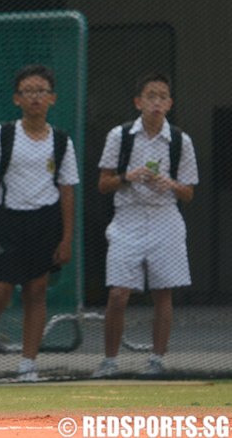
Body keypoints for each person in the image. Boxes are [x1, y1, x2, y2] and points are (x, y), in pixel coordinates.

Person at [0, 64, 79, 382]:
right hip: (8, 221)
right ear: (17, 99)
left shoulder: (62, 142)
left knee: (37, 291)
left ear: (52, 98)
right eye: (28, 91)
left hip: (45, 222)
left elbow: (67, 192)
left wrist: (66, 239)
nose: (35, 97)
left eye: (41, 91)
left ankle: (28, 365)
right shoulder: (3, 134)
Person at [92, 72, 198, 378]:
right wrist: (129, 177)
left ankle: (157, 359)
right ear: (138, 102)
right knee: (118, 293)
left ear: (170, 103)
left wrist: (171, 185)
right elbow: (103, 183)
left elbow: (189, 192)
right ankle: (109, 361)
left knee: (163, 292)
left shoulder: (180, 140)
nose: (156, 102)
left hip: (165, 216)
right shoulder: (120, 136)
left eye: (163, 96)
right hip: (128, 216)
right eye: (150, 95)